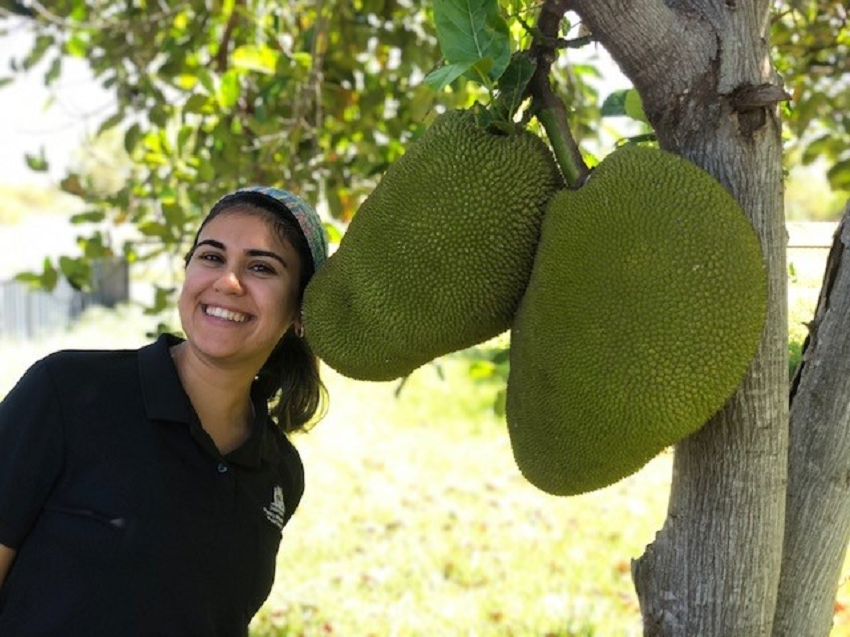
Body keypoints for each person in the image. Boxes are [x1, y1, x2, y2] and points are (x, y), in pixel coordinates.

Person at [0, 186, 329, 636]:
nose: (228, 281)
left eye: (260, 267)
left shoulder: (280, 472)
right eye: (211, 257)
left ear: (299, 312)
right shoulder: (68, 392)